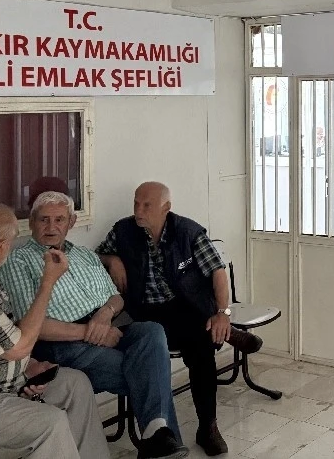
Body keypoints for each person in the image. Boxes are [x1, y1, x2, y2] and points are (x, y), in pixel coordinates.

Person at [0, 191, 188, 459]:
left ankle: (157, 439)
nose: (51, 227)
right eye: (44, 219)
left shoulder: (85, 255)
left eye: (59, 219)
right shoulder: (18, 260)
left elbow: (116, 297)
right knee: (151, 371)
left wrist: (105, 314)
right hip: (63, 343)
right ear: (31, 222)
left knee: (151, 331)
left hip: (109, 326)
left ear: (71, 222)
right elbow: (31, 326)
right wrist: (91, 332)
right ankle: (158, 439)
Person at [97, 182, 262, 457]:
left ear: (166, 208)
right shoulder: (123, 231)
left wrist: (222, 312)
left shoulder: (188, 232)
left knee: (201, 350)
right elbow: (97, 255)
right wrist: (112, 260)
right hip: (147, 311)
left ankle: (208, 427)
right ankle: (226, 333)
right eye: (136, 203)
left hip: (188, 306)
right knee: (200, 337)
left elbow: (217, 272)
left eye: (146, 205)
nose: (139, 210)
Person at [0, 203, 109, 458]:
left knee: (75, 384)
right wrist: (48, 281)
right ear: (1, 247)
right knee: (49, 423)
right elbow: (17, 347)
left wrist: (29, 366)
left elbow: (5, 336)